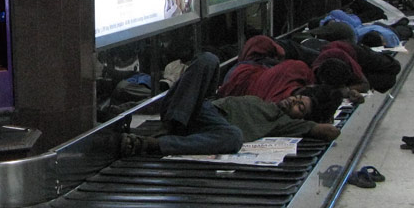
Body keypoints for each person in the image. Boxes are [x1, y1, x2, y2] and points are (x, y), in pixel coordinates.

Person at [120, 52, 343, 157]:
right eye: (298, 97)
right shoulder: (264, 99)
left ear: (300, 118)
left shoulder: (284, 123)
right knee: (209, 60)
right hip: (195, 107)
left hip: (213, 126)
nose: (294, 101)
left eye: (300, 107)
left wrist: (328, 116)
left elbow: (329, 132)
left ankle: (154, 144)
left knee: (234, 137)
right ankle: (172, 125)